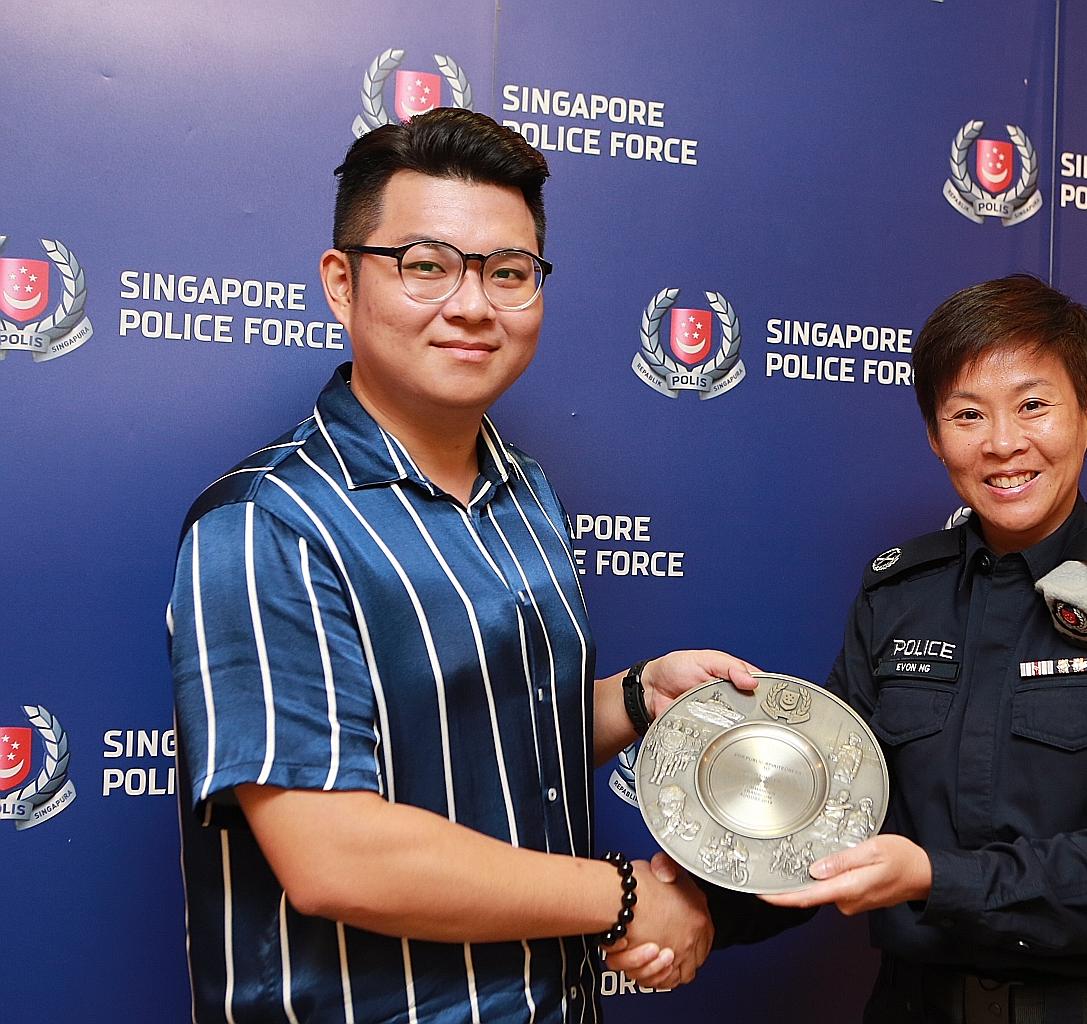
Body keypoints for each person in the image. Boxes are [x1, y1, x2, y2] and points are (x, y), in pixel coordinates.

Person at [167, 107, 754, 1023]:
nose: (473, 304)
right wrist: (630, 897)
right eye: (426, 266)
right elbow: (335, 854)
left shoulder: (527, 495)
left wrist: (638, 697)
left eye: (508, 273)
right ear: (340, 282)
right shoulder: (266, 525)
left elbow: (480, 732)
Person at [720, 274, 1087, 1022]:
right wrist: (694, 911)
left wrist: (937, 878)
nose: (1002, 443)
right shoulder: (897, 593)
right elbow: (827, 813)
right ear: (936, 436)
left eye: (1034, 405)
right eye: (968, 414)